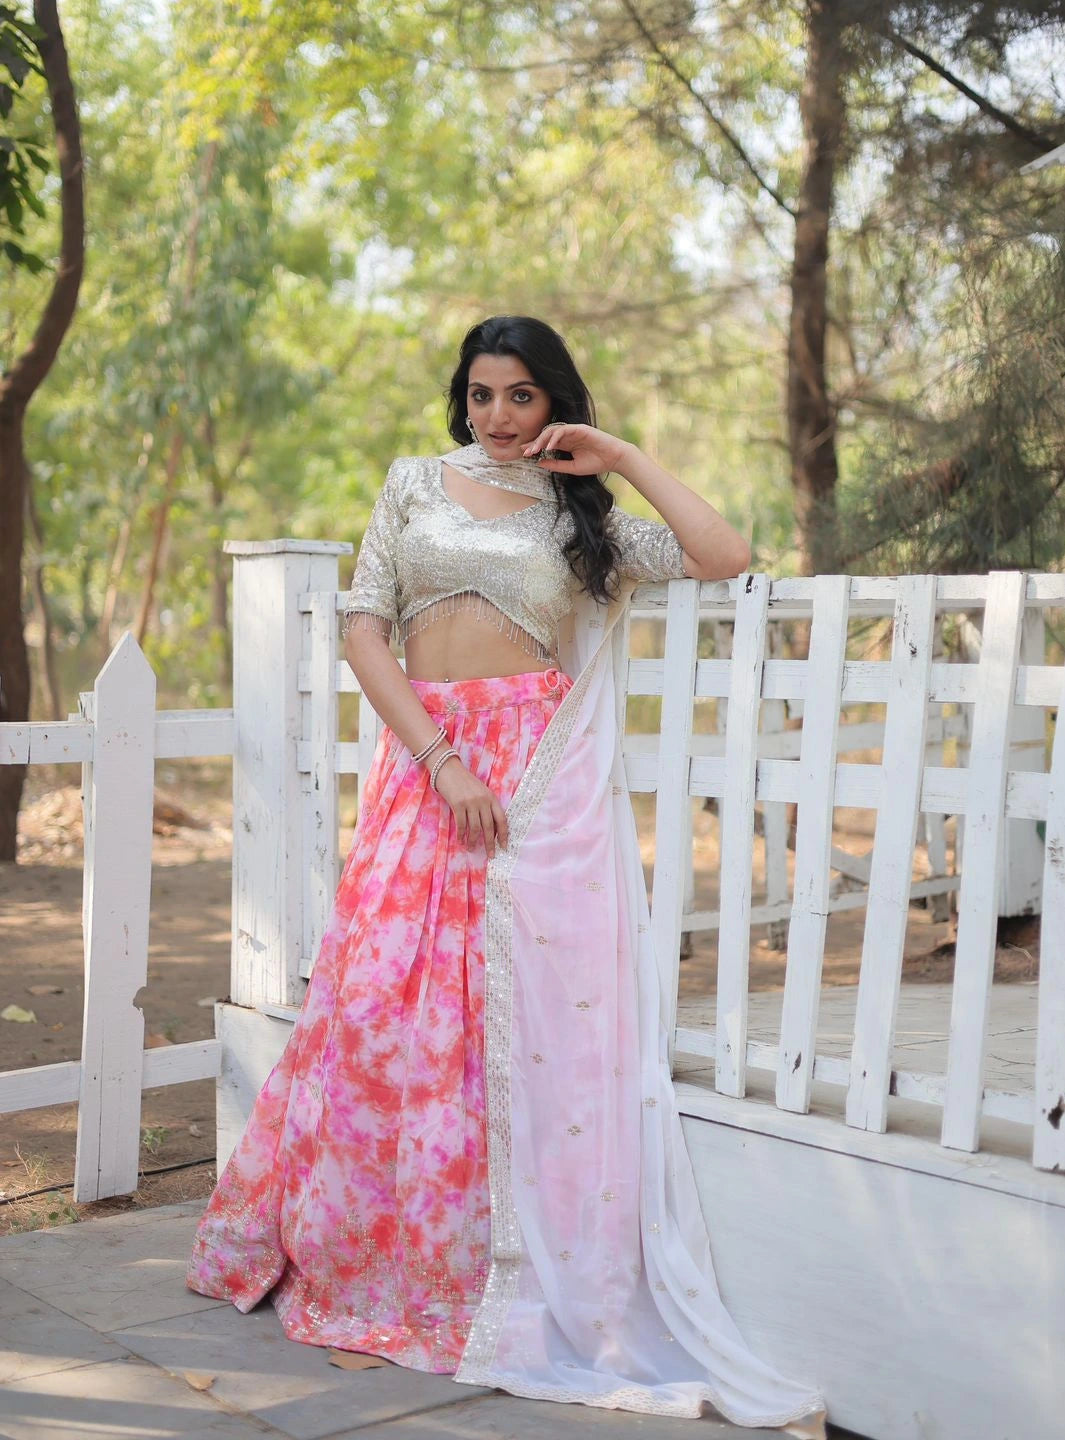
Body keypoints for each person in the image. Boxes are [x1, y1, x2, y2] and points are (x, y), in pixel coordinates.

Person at [186, 315, 826, 1436]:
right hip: (427, 770)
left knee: (502, 1023)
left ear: (553, 403)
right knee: (381, 1010)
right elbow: (362, 628)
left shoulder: (583, 523)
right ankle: (371, 1256)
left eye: (520, 395)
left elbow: (723, 554)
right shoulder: (412, 485)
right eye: (479, 393)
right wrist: (437, 760)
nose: (495, 416)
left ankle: (484, 1269)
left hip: (532, 779)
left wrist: (617, 458)